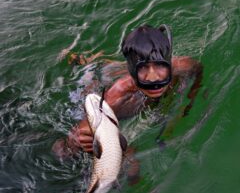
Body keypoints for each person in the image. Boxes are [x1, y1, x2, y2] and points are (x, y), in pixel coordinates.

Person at [52, 24, 203, 164]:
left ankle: (94, 61)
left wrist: (188, 101)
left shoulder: (184, 66)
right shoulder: (116, 99)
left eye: (160, 67)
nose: (153, 79)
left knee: (112, 67)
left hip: (116, 71)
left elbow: (197, 71)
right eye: (143, 69)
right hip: (93, 83)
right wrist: (75, 141)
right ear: (133, 72)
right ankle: (79, 60)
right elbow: (69, 143)